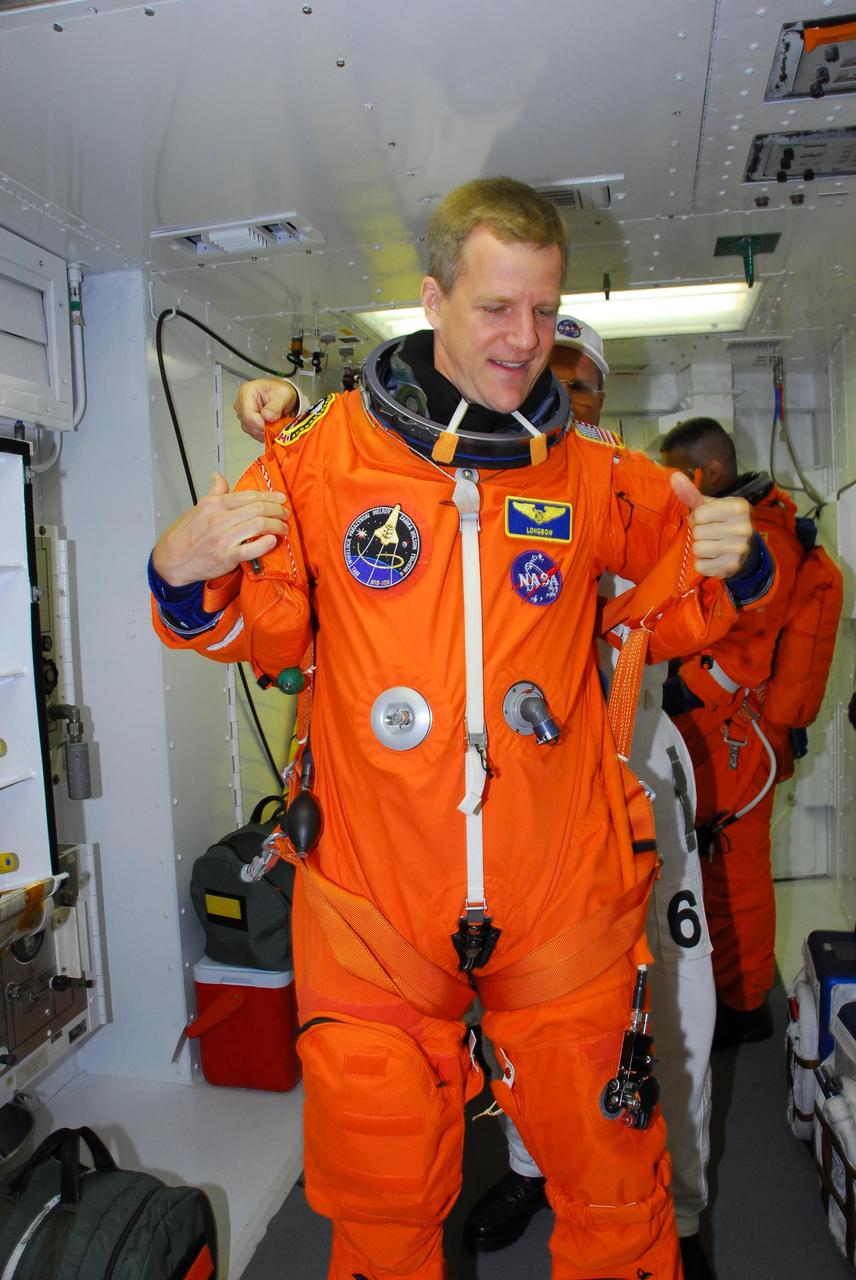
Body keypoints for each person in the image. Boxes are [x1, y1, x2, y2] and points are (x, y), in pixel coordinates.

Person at [150, 177, 766, 1280]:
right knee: (382, 1216)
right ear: (432, 298)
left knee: (622, 1199)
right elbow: (263, 618)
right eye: (495, 308)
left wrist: (735, 550)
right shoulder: (322, 462)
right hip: (375, 908)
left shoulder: (589, 474)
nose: (524, 339)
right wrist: (181, 574)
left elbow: (673, 597)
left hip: (560, 898)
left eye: (544, 309)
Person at [462, 319, 717, 1280]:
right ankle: (537, 1167)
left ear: (604, 397)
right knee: (532, 1000)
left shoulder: (629, 487)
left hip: (635, 776)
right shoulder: (488, 485)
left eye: (584, 381)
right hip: (532, 796)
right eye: (549, 374)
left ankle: (680, 1220)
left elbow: (719, 570)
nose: (567, 394)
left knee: (669, 1003)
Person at [660, 418, 840, 1051]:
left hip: (739, 734)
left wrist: (677, 693)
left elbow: (745, 652)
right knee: (721, 865)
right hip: (736, 730)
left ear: (706, 472)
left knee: (737, 871)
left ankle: (743, 1005)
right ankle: (732, 989)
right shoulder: (757, 523)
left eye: (675, 472)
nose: (669, 486)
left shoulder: (762, 540)